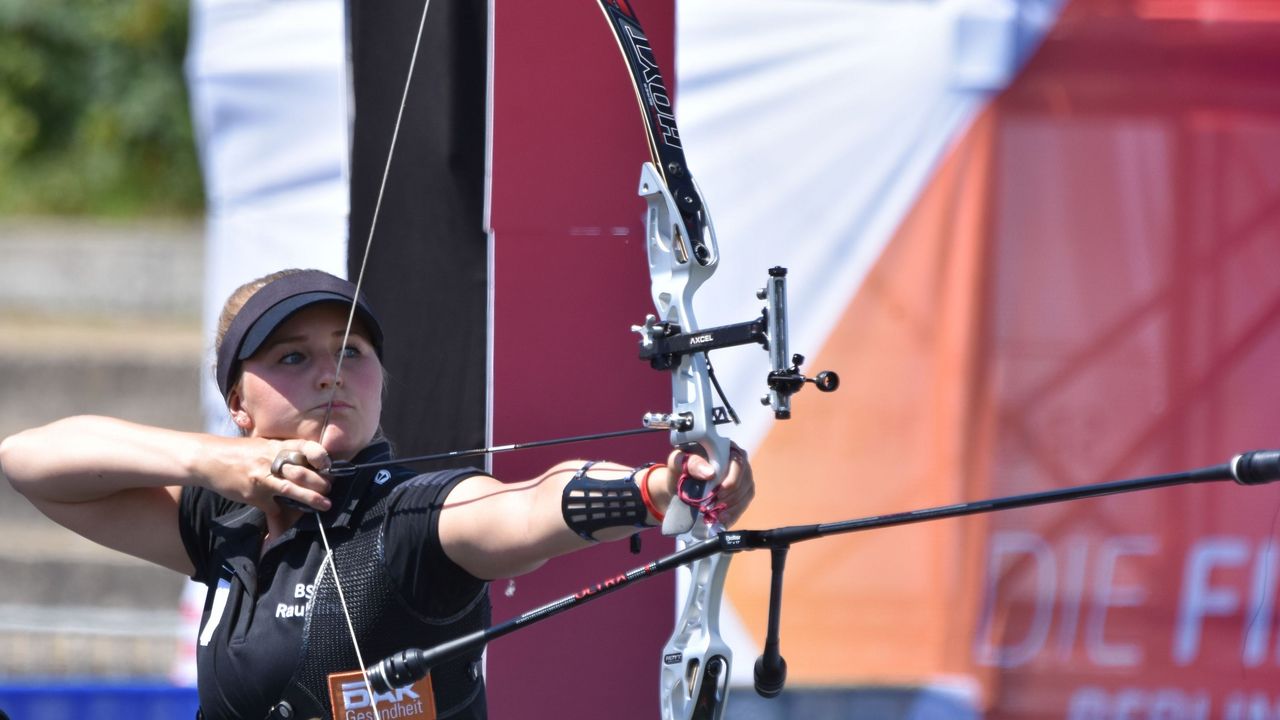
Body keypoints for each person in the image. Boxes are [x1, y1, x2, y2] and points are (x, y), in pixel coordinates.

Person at [0, 268, 754, 720]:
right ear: (238, 403)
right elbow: (30, 461)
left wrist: (657, 489)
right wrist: (214, 463)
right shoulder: (222, 520)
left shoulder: (413, 518)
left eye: (351, 353)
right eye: (294, 357)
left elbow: (527, 504)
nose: (331, 373)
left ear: (381, 383)